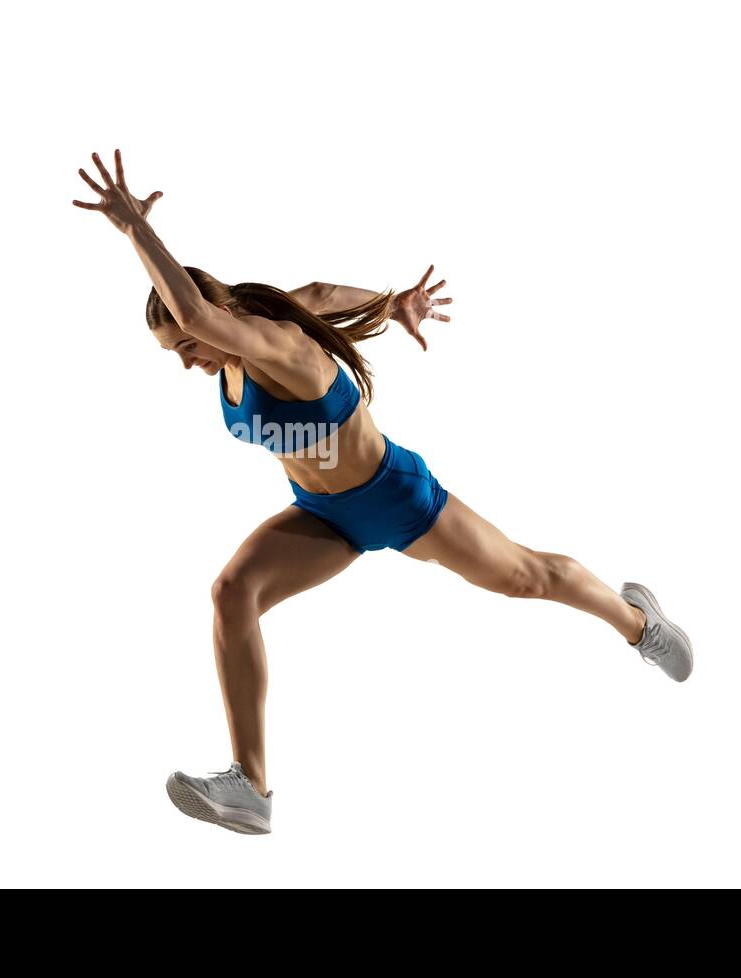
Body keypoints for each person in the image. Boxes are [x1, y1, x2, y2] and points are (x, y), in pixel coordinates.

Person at [73, 150, 693, 835]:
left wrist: (134, 228)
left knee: (527, 576)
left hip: (395, 497)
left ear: (213, 317)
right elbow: (314, 293)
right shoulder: (264, 333)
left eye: (187, 346)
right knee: (230, 594)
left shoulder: (278, 347)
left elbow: (201, 309)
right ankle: (251, 785)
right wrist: (390, 303)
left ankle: (639, 624)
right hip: (323, 517)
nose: (188, 363)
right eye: (177, 353)